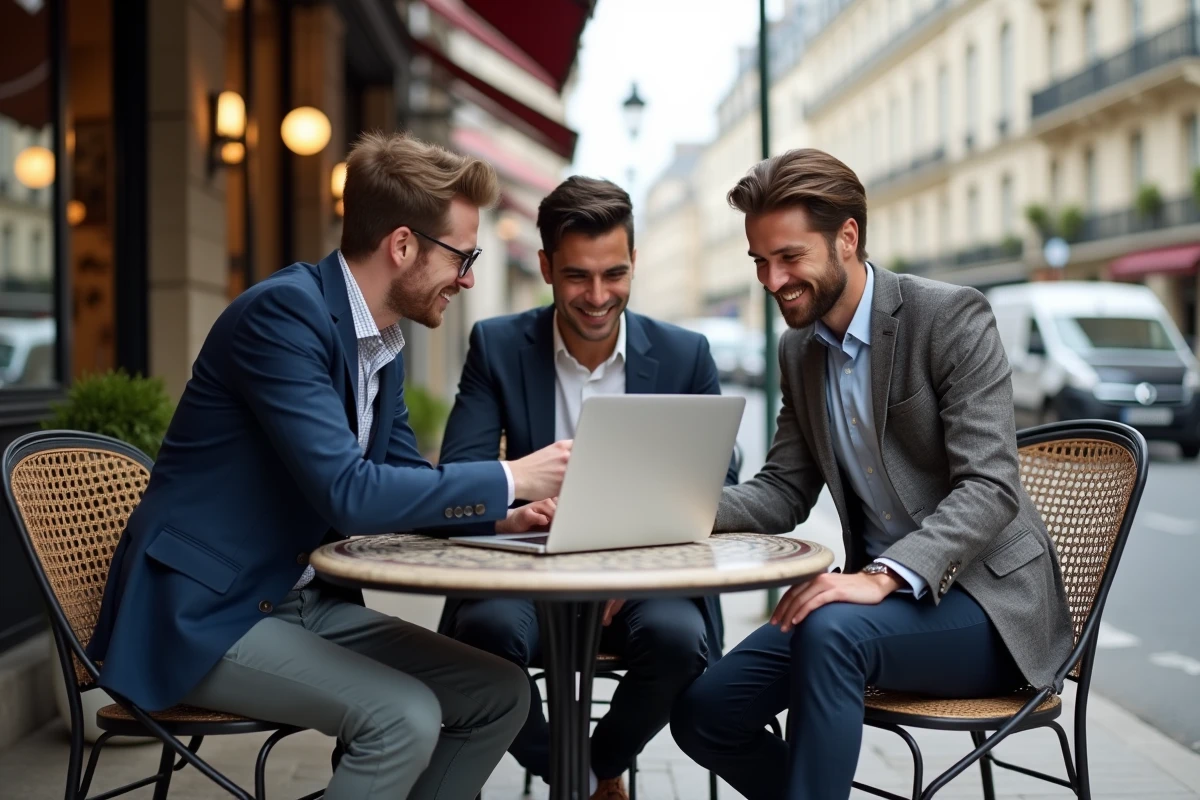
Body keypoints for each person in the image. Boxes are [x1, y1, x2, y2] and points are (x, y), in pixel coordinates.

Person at [86, 131, 574, 800]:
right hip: (205, 614)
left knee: (499, 691)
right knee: (401, 717)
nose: (466, 278)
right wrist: (513, 475)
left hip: (300, 600)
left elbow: (404, 481)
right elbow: (350, 493)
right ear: (402, 246)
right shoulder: (282, 316)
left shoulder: (382, 344)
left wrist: (505, 516)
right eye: (463, 256)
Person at [669, 148, 1074, 800]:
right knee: (706, 713)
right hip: (872, 614)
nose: (772, 280)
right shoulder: (798, 349)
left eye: (789, 257)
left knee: (830, 630)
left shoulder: (948, 317)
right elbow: (782, 491)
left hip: (990, 608)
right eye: (759, 262)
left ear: (847, 237)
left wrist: (881, 577)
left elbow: (990, 486)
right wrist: (668, 507)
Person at [433, 176, 739, 800]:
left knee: (681, 640)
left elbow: (715, 486)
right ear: (545, 266)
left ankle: (602, 760)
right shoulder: (496, 346)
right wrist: (517, 506)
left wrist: (629, 559)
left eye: (614, 274)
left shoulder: (686, 355)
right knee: (483, 639)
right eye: (577, 276)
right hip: (523, 581)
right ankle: (575, 772)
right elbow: (460, 474)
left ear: (633, 264)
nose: (599, 296)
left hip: (642, 585)